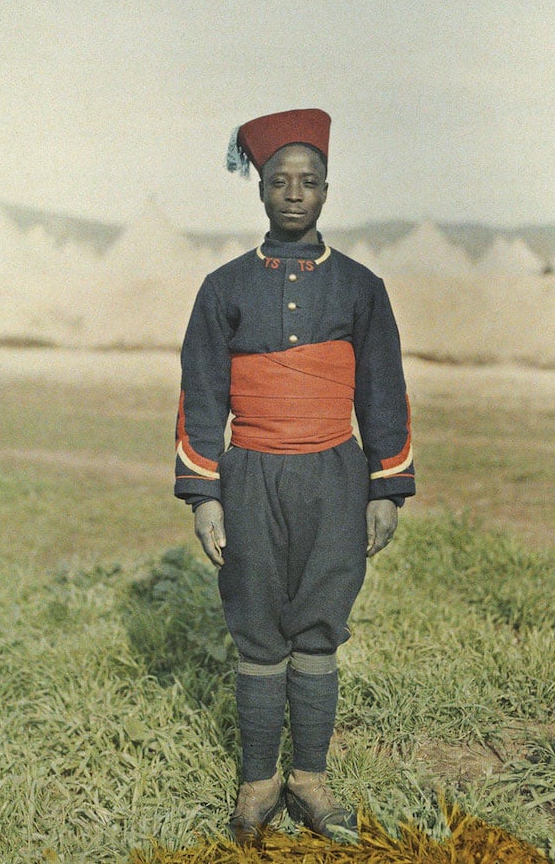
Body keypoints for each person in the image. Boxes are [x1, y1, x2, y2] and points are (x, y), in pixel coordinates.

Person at [174, 108, 415, 845]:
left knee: (318, 627)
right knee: (256, 628)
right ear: (260, 190)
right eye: (279, 179)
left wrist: (385, 486)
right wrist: (205, 495)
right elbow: (201, 392)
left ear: (327, 191)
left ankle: (309, 775)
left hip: (334, 478)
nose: (293, 192)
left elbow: (383, 388)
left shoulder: (361, 287)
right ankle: (258, 780)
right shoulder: (223, 287)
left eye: (308, 181)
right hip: (250, 478)